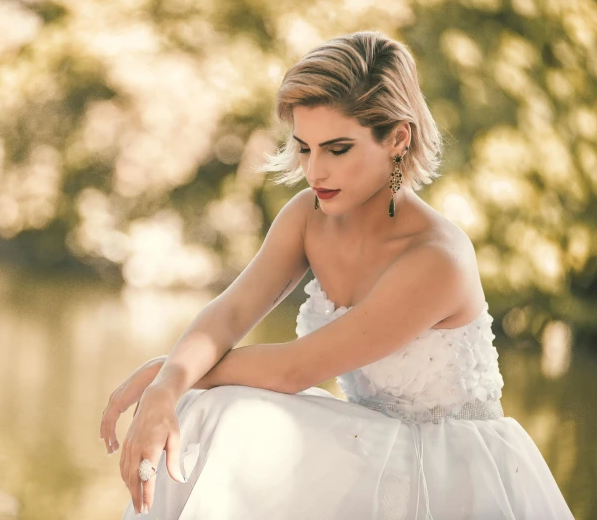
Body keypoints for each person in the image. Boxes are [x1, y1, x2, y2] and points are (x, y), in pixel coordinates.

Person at [100, 31, 575, 519]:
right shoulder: (308, 216)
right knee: (205, 408)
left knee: (224, 410)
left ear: (397, 138)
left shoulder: (436, 258)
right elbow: (231, 311)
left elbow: (294, 369)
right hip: (367, 444)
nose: (314, 171)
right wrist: (170, 387)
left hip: (445, 471)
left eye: (337, 149)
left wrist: (170, 374)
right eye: (304, 148)